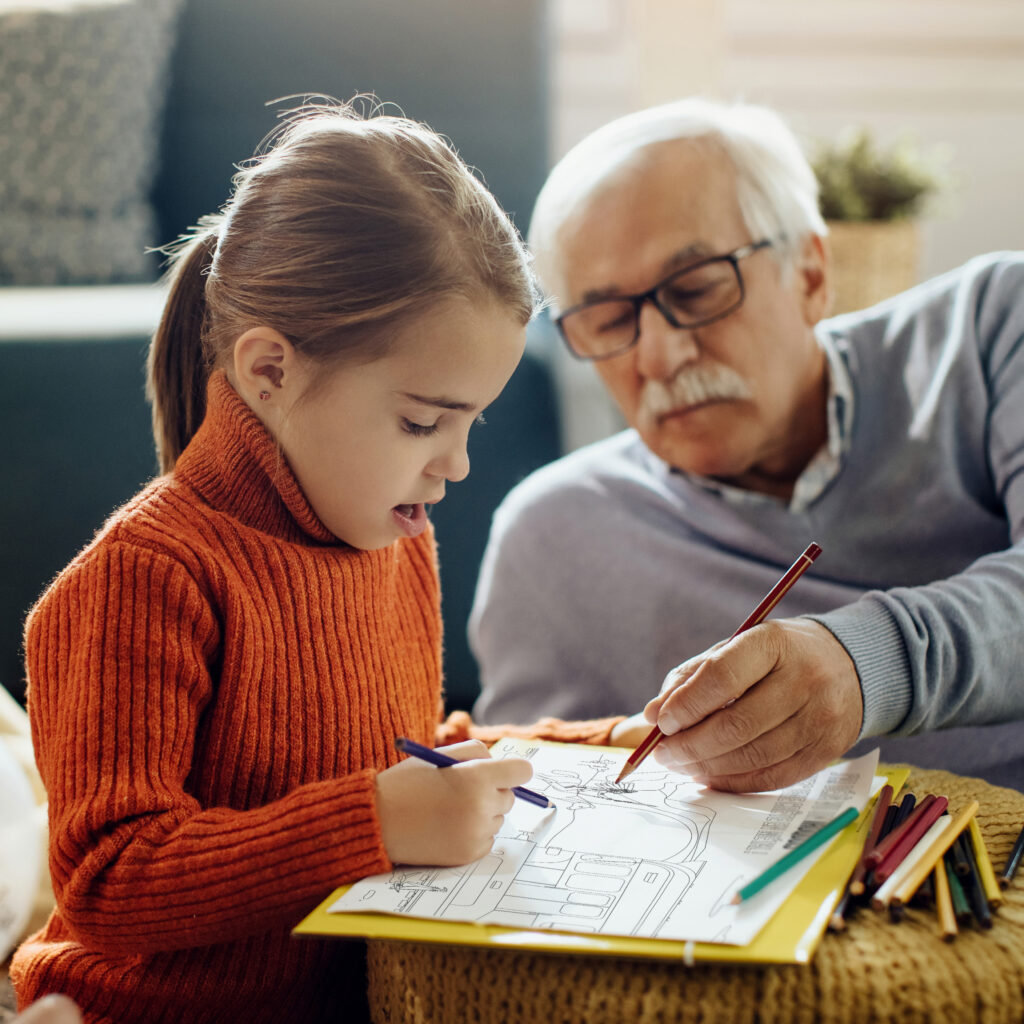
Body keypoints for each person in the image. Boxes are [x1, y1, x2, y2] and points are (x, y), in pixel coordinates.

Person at [10, 101, 629, 1024]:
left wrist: (598, 749)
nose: (456, 463)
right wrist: (374, 823)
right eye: (424, 421)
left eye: (472, 423)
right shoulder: (142, 579)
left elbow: (404, 752)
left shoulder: (391, 536)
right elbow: (110, 880)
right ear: (269, 373)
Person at [470, 96, 1024, 795]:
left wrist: (865, 664)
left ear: (812, 275)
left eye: (697, 290)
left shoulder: (991, 330)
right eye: (609, 320)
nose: (661, 355)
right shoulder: (556, 536)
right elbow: (530, 801)